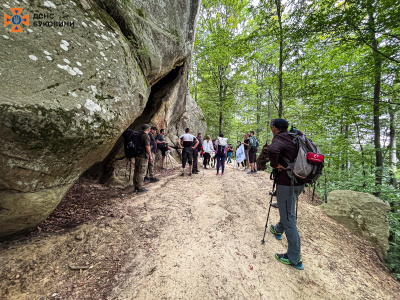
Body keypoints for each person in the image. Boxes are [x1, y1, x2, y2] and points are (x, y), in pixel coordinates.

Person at [268, 118, 305, 270]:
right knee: (288, 211)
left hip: (286, 183)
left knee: (289, 218)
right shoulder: (294, 137)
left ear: (275, 128)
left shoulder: (280, 138)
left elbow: (272, 150)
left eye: (271, 126)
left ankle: (294, 258)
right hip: (299, 182)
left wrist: (275, 164)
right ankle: (277, 229)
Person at [134, 124, 152, 194]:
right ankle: (140, 187)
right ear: (148, 129)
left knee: (137, 171)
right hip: (143, 156)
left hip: (137, 155)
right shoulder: (145, 136)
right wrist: (150, 156)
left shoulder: (139, 135)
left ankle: (136, 185)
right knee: (141, 172)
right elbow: (147, 146)